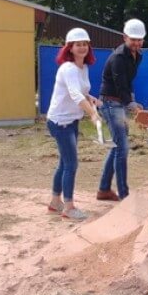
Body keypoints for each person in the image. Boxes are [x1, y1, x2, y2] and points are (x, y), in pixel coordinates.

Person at [46, 28, 101, 220]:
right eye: (78, 44)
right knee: (71, 164)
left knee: (64, 163)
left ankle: (55, 202)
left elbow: (81, 91)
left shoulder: (83, 68)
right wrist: (93, 114)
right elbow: (74, 94)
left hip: (71, 120)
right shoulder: (68, 68)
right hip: (60, 122)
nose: (82, 47)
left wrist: (91, 98)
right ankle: (68, 208)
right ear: (70, 48)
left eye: (85, 44)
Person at [97, 18, 145, 201]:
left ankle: (103, 189)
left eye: (140, 39)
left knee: (118, 146)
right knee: (122, 148)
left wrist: (132, 100)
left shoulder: (137, 56)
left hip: (120, 103)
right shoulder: (118, 57)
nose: (136, 43)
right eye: (133, 39)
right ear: (125, 37)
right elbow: (119, 84)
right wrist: (130, 103)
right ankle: (125, 195)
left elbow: (128, 81)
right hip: (110, 103)